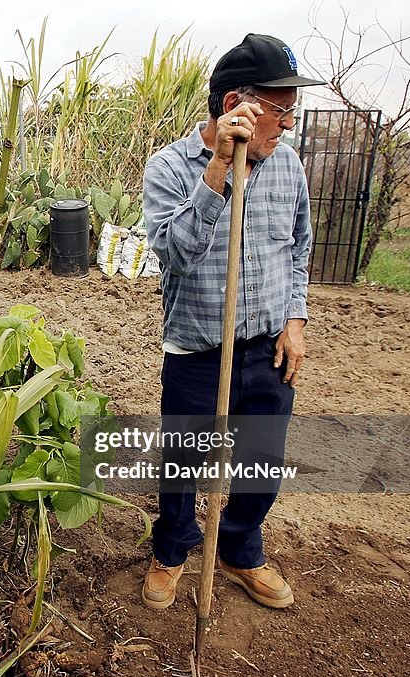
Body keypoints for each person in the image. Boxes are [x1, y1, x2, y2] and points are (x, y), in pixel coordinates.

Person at [140, 34, 322, 610]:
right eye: (279, 109)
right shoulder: (170, 168)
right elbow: (172, 254)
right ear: (233, 108)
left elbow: (298, 248)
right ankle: (171, 551)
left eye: (292, 109)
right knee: (183, 465)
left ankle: (239, 551)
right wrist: (219, 168)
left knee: (261, 462)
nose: (287, 123)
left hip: (268, 346)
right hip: (197, 349)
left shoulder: (288, 166)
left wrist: (295, 318)